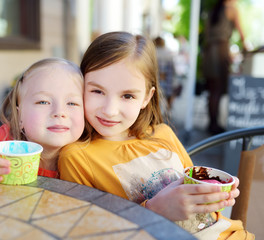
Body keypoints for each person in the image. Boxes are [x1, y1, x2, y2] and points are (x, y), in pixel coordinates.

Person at [58, 32, 254, 239]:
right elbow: (89, 233)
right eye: (97, 91)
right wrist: (153, 211)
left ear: (146, 98)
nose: (110, 110)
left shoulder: (163, 134)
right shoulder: (77, 157)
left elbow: (200, 200)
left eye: (127, 96)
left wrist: (213, 196)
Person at [202, 0, 247, 135]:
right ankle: (214, 125)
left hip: (208, 51)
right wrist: (245, 48)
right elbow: (242, 34)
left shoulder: (214, 10)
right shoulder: (232, 9)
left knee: (212, 90)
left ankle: (212, 123)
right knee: (217, 90)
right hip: (220, 50)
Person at [154, 36, 176, 111]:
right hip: (168, 82)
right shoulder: (168, 54)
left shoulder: (153, 53)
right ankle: (168, 111)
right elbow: (173, 70)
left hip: (156, 81)